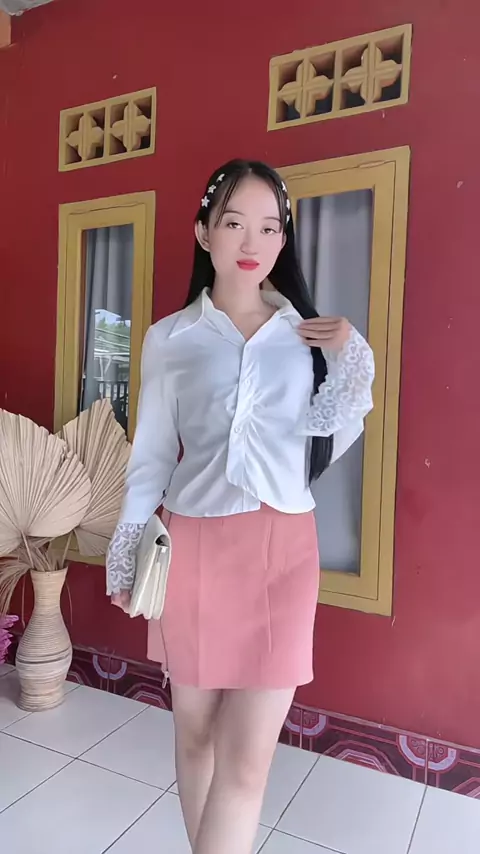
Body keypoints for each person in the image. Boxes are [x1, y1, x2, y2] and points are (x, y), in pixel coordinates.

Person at [106, 159, 375, 854]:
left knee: (248, 762)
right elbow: (151, 456)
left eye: (269, 227)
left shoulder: (306, 335)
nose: (252, 242)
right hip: (194, 549)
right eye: (233, 223)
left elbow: (334, 432)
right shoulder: (170, 338)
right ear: (204, 233)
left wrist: (352, 357)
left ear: (284, 238)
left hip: (284, 554)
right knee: (195, 737)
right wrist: (127, 543)